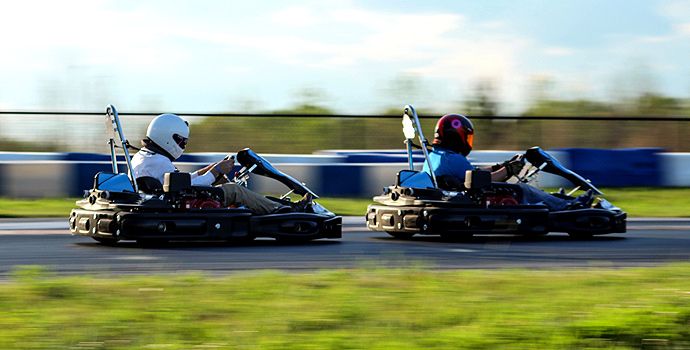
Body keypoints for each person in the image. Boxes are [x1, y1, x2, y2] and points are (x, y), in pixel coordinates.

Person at [131, 113, 305, 214]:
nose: (183, 145)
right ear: (169, 137)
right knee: (234, 189)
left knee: (224, 183)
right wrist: (216, 171)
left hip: (168, 199)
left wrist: (212, 169)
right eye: (182, 141)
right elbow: (186, 188)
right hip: (181, 203)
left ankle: (268, 206)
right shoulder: (158, 161)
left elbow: (181, 181)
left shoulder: (145, 156)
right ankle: (283, 211)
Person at [423, 114, 593, 211]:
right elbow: (481, 181)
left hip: (457, 194)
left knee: (523, 190)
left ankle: (555, 199)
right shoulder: (452, 159)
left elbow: (474, 174)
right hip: (470, 199)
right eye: (467, 137)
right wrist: (510, 170)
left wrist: (501, 166)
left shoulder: (437, 156)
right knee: (522, 189)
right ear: (457, 136)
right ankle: (570, 206)